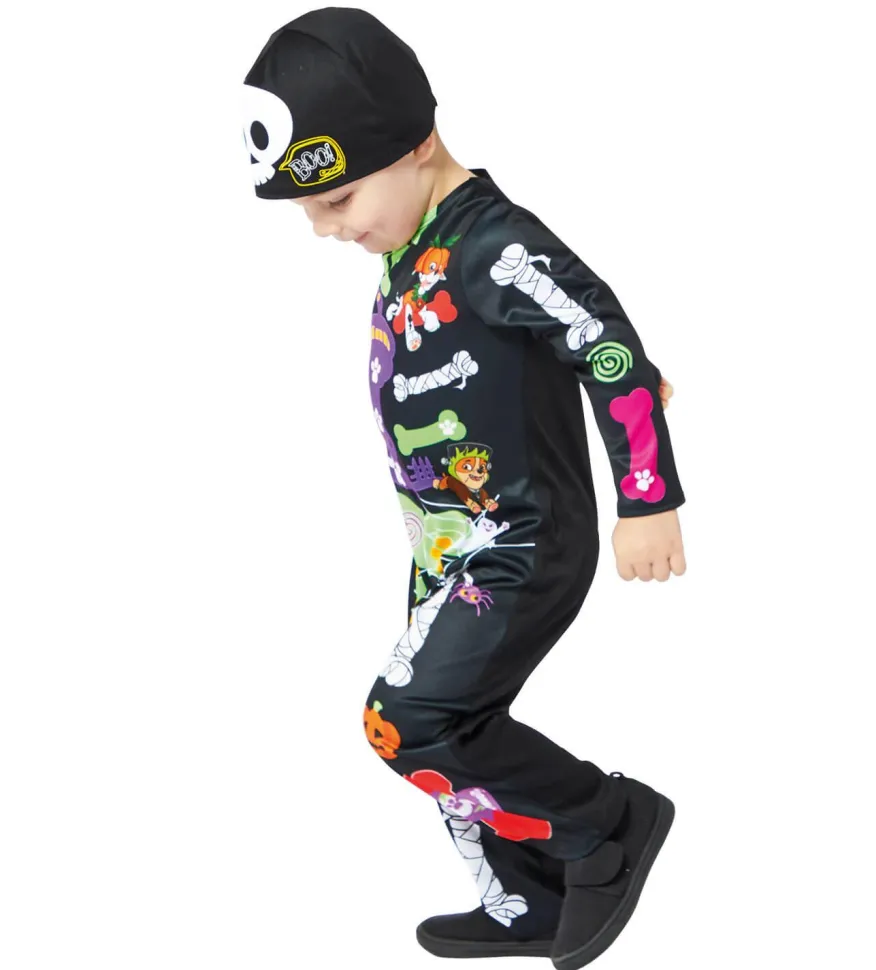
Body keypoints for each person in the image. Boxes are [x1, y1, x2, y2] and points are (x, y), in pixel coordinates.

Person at [241, 8, 687, 969]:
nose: (326, 229)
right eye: (311, 211)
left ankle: (608, 822)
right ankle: (521, 898)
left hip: (522, 540)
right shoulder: (410, 243)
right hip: (444, 543)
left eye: (338, 200)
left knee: (405, 722)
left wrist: (647, 496)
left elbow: (607, 346)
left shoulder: (493, 244)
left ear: (416, 144)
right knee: (451, 733)